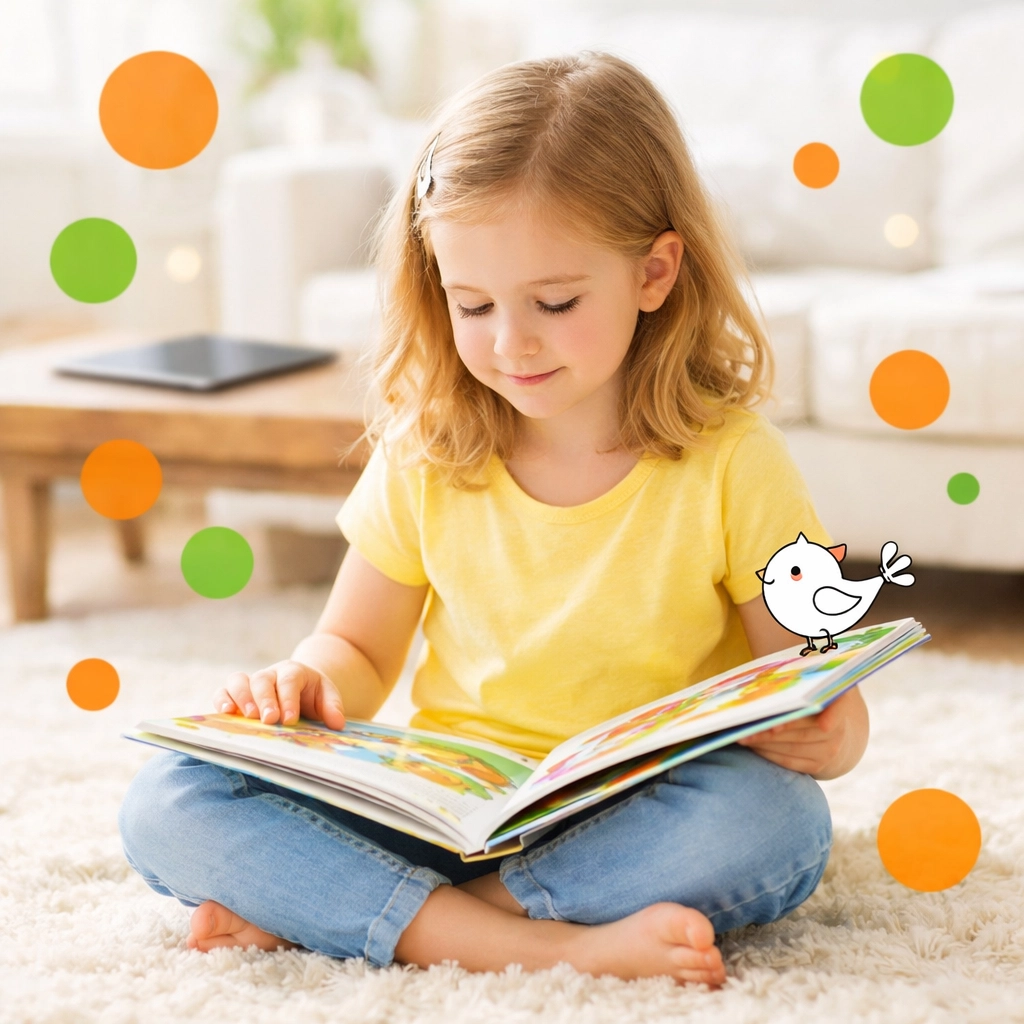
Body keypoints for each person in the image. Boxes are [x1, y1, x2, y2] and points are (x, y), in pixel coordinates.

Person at [118, 51, 868, 987]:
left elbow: (804, 677)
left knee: (776, 821)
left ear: (654, 270)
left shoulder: (736, 462)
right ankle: (537, 943)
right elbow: (356, 647)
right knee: (170, 798)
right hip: (444, 804)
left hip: (629, 814)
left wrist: (834, 734)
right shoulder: (429, 448)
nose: (511, 342)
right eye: (472, 304)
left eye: (554, 302)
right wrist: (303, 683)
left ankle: (361, 911)